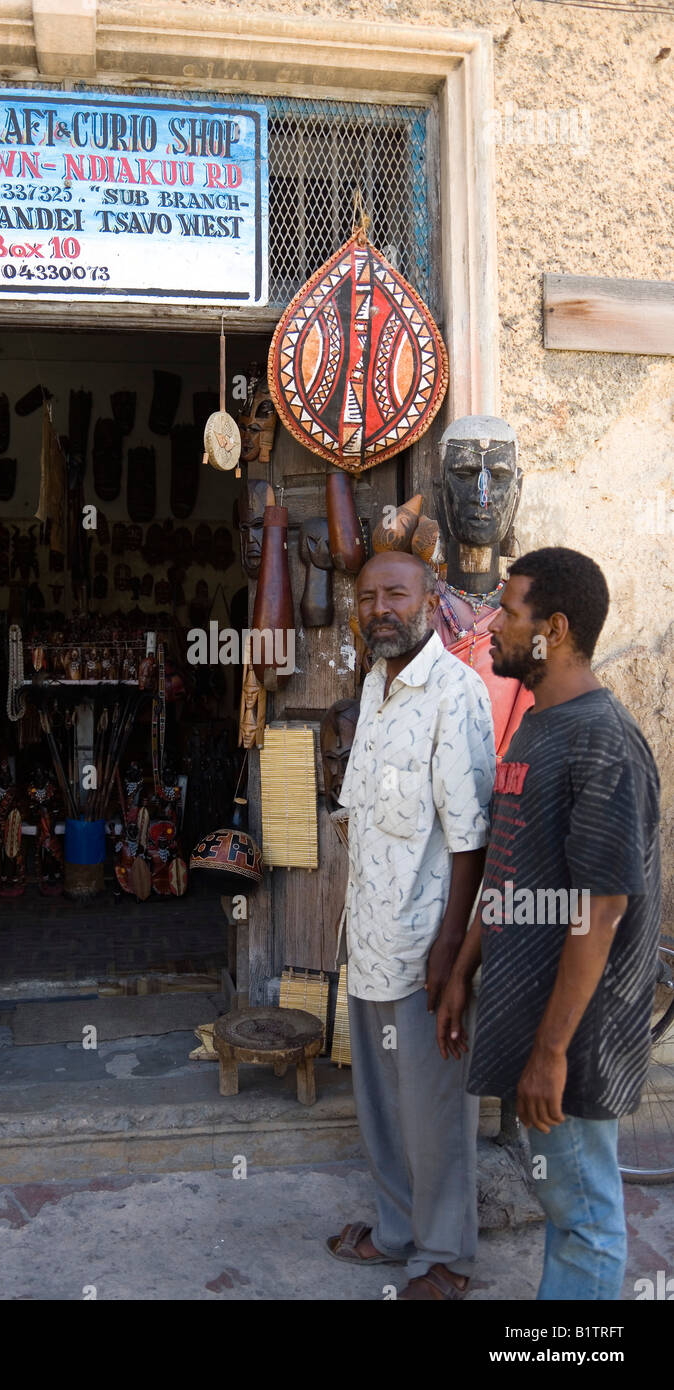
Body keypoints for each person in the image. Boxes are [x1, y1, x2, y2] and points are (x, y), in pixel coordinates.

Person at [437, 547, 661, 1300]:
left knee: (587, 1221)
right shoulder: (539, 726)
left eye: (509, 609)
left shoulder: (601, 740)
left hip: (576, 1039)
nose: (492, 623)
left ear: (555, 629)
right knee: (567, 1208)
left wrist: (552, 1052)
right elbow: (507, 869)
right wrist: (464, 971)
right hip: (533, 1023)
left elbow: (600, 909)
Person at [326, 550, 496, 1300]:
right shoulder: (375, 685)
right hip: (369, 937)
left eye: (395, 593)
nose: (378, 608)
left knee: (433, 1109)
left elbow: (472, 837)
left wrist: (451, 951)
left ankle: (446, 1256)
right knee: (385, 1104)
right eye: (367, 597)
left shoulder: (453, 693)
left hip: (427, 941)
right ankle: (399, 1232)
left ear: (430, 600)